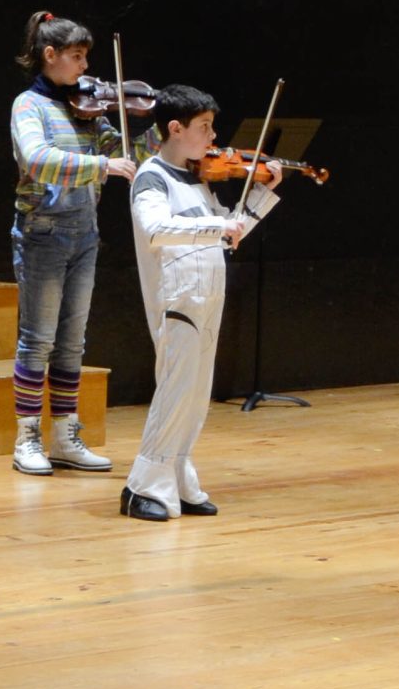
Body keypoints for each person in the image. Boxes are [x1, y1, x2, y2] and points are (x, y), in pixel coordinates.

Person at [120, 82, 280, 522]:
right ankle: (142, 485)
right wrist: (217, 226)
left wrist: (261, 196)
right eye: (205, 127)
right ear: (175, 128)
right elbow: (156, 229)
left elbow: (229, 234)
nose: (213, 137)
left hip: (208, 295)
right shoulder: (152, 176)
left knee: (196, 394)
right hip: (178, 298)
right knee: (176, 390)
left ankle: (176, 471)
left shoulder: (198, 180)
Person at [6, 8, 147, 479]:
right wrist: (102, 167)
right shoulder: (29, 105)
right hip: (43, 232)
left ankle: (65, 436)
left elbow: (127, 155)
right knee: (38, 340)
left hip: (85, 232)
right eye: (78, 56)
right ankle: (27, 437)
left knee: (72, 343)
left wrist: (159, 126)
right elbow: (37, 159)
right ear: (50, 55)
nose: (87, 67)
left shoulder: (87, 109)